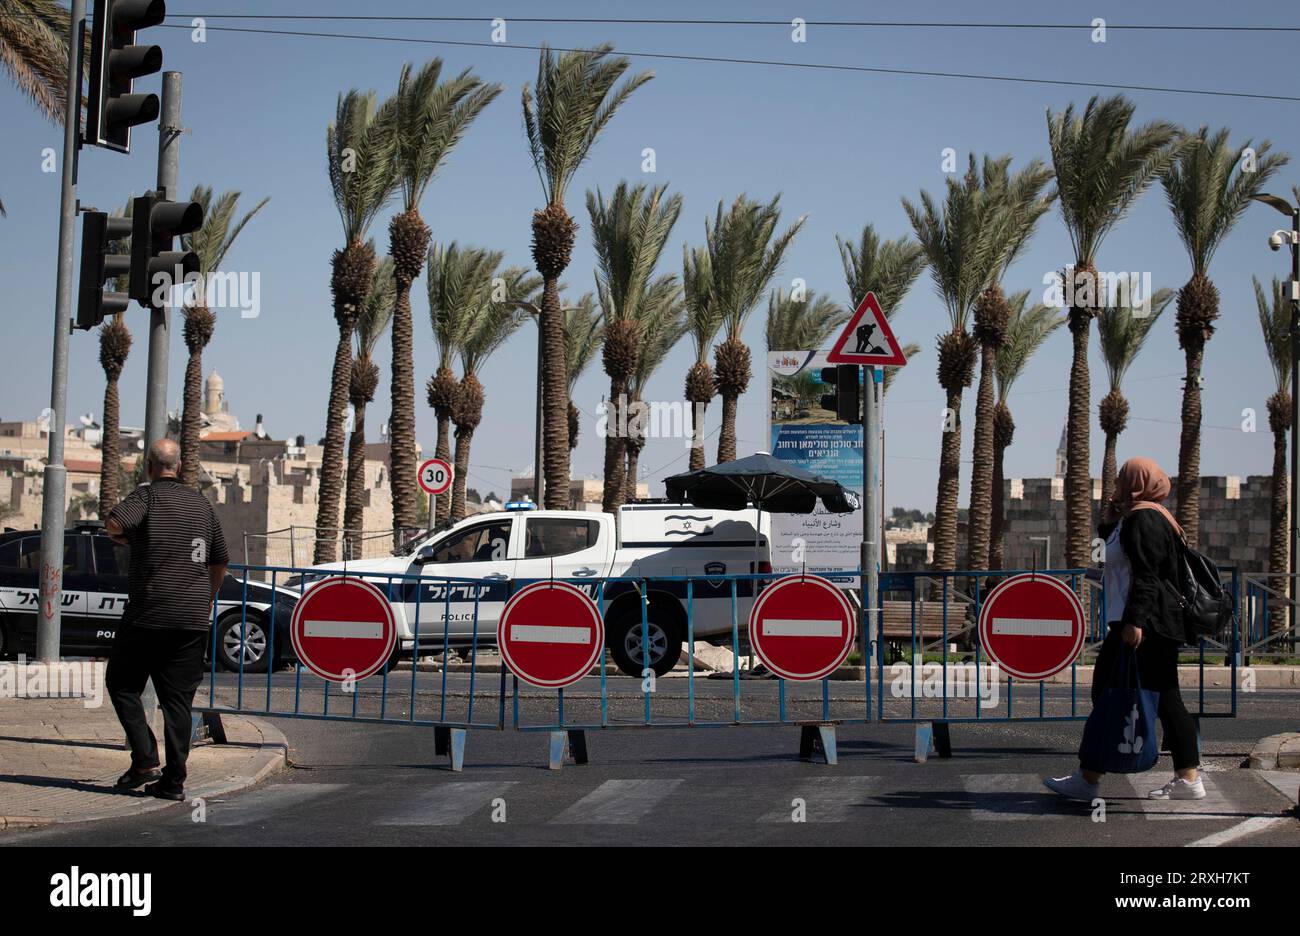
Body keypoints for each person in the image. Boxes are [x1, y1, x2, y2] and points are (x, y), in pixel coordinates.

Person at [1044, 456, 1204, 802]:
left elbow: (1148, 576)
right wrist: (1111, 521)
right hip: (1147, 626)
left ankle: (1088, 779)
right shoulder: (1139, 516)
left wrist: (1135, 622)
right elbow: (1112, 559)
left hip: (1142, 628)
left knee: (1108, 694)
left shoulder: (1145, 519)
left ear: (1137, 481)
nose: (1115, 482)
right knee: (1163, 699)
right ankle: (1187, 778)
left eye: (1121, 478)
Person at [105, 438, 229, 801]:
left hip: (148, 614)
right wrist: (207, 596)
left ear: (149, 465)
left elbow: (114, 523)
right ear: (180, 465)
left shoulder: (147, 497)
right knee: (178, 701)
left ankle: (145, 760)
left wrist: (131, 537)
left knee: (122, 683)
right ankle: (173, 781)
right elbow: (220, 561)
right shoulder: (203, 505)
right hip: (192, 618)